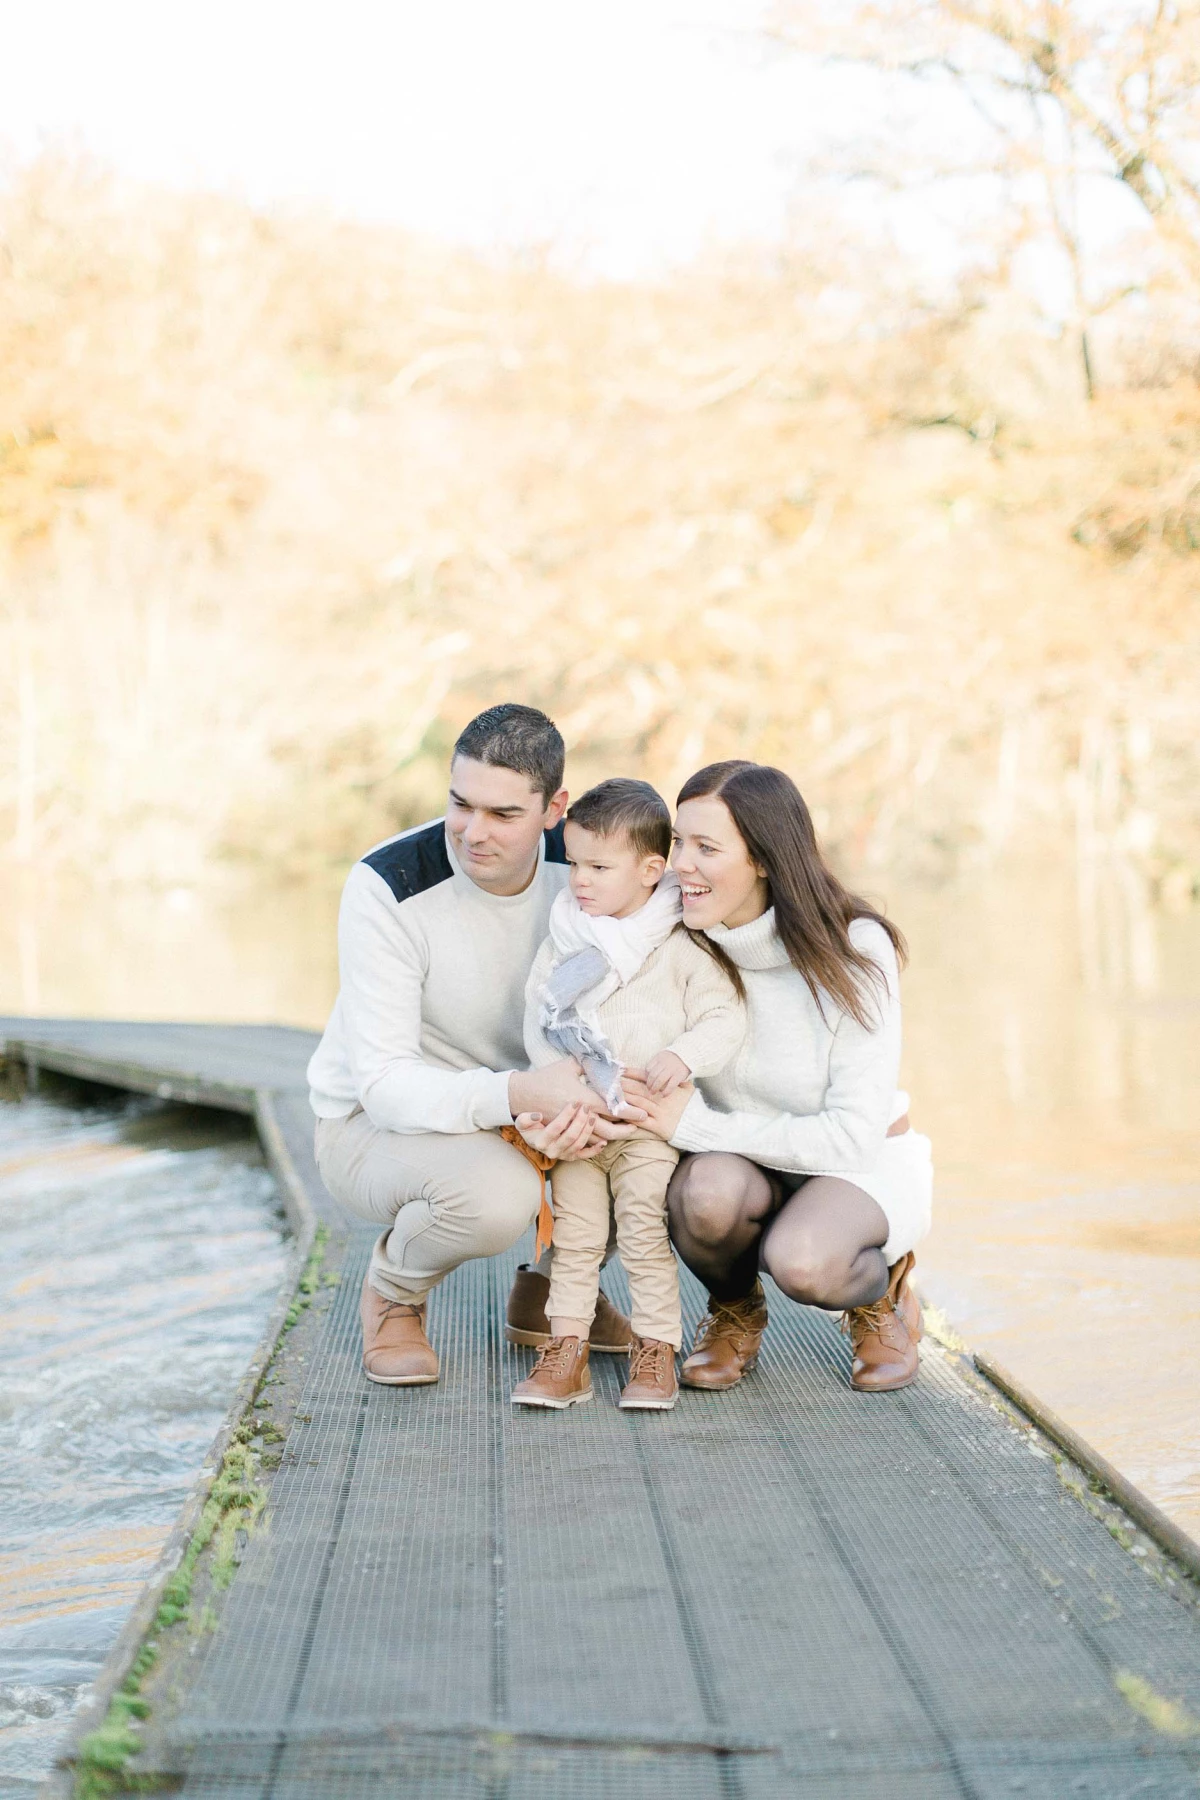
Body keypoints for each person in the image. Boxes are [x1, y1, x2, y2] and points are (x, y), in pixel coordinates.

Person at [307, 703, 636, 1387]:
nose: (472, 833)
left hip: (529, 1104)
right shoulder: (389, 884)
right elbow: (385, 1084)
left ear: (555, 809)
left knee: (653, 1131)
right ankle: (394, 1293)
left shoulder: (587, 871)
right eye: (461, 804)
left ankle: (553, 1293)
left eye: (503, 815)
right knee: (495, 1197)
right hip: (374, 1127)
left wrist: (580, 1101)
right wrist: (517, 1097)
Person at [621, 760, 933, 1394]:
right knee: (702, 1198)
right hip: (743, 1163)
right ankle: (736, 1309)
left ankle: (880, 1296)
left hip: (858, 1162)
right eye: (679, 841)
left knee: (805, 1259)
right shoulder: (674, 934)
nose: (682, 863)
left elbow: (850, 1137)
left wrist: (694, 1123)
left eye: (707, 847)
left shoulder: (853, 946)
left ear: (763, 858)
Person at [510, 780, 744, 1412]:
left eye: (598, 867)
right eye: (574, 863)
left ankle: (655, 1349)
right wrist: (565, 1088)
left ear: (650, 870)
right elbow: (540, 1017)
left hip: (643, 1127)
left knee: (643, 1233)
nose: (578, 880)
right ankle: (566, 1353)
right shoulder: (566, 940)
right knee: (579, 1239)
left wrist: (681, 1055)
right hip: (583, 1125)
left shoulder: (678, 946)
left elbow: (723, 1017)